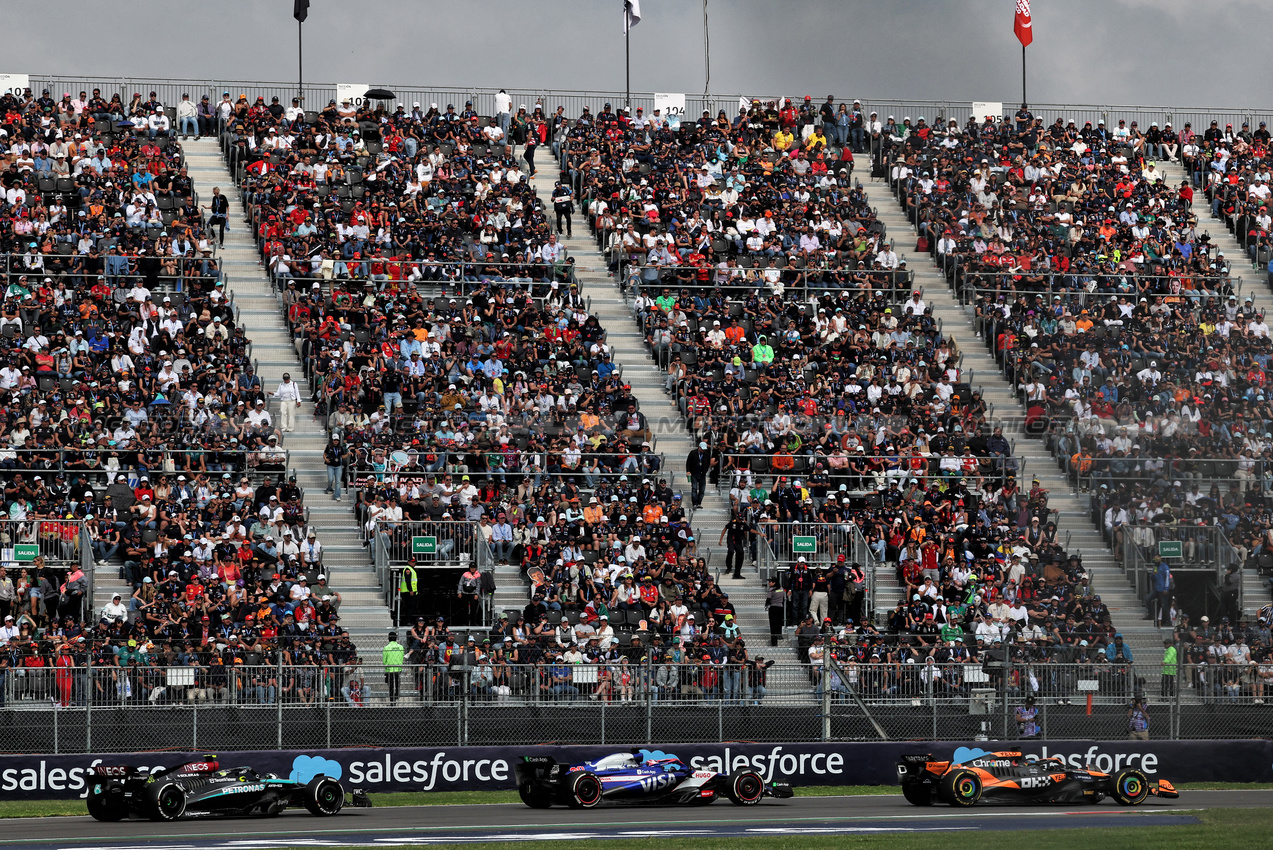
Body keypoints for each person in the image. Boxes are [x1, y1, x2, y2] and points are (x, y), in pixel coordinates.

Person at [719, 510, 749, 580]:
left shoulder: (743, 524)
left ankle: (737, 573)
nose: (740, 520)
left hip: (738, 541)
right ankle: (729, 567)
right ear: (737, 517)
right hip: (731, 540)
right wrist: (721, 540)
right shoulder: (732, 522)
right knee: (731, 551)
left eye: (741, 519)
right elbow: (725, 529)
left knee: (741, 553)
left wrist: (746, 539)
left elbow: (746, 531)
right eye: (739, 518)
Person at [685, 441, 713, 509]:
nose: (703, 450)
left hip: (702, 474)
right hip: (694, 473)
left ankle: (699, 502)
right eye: (702, 449)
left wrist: (705, 471)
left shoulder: (706, 454)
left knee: (702, 490)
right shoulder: (693, 453)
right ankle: (694, 503)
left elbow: (708, 463)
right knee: (694, 488)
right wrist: (688, 471)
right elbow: (688, 462)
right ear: (699, 447)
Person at [382, 631, 404, 704]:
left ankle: (392, 701)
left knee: (391, 685)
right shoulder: (401, 647)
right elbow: (401, 658)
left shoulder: (387, 647)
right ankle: (397, 694)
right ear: (396, 638)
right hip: (398, 668)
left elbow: (384, 661)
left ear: (388, 638)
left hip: (389, 668)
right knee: (397, 682)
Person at [765, 578, 786, 647]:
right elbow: (783, 598)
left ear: (774, 583)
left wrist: (766, 605)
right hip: (780, 607)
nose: (769, 583)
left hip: (773, 608)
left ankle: (774, 641)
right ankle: (779, 635)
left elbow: (768, 599)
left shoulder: (771, 590)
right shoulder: (781, 589)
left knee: (773, 624)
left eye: (770, 582)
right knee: (779, 622)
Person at [398, 558, 418, 625]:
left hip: (410, 591)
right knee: (409, 607)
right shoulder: (408, 569)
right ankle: (408, 621)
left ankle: (409, 620)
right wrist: (411, 590)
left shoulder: (411, 569)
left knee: (411, 607)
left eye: (414, 562)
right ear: (409, 562)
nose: (414, 563)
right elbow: (408, 580)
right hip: (408, 592)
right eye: (412, 562)